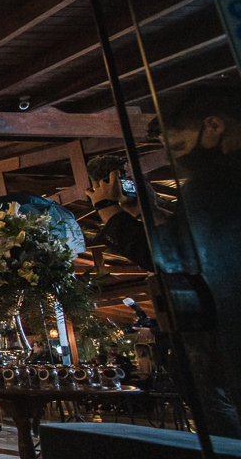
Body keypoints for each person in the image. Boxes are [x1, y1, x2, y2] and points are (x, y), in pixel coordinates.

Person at [87, 85, 241, 437]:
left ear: (214, 125)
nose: (177, 158)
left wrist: (108, 211)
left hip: (224, 324)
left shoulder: (214, 183)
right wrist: (147, 212)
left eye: (181, 146)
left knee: (220, 419)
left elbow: (170, 255)